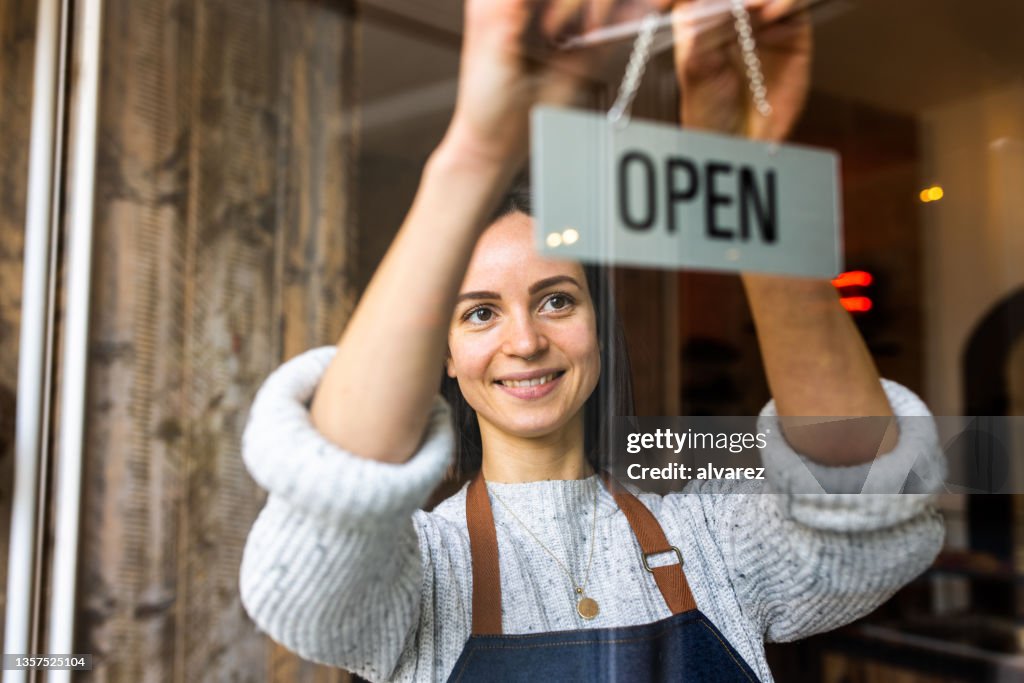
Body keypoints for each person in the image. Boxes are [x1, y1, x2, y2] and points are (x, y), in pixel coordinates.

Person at [238, 1, 946, 681]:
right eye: (480, 313)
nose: (526, 340)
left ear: (598, 332)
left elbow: (865, 500)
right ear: (444, 358)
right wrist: (477, 151)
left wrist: (742, 179)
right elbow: (311, 563)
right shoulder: (425, 570)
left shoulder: (715, 542)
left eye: (555, 300)